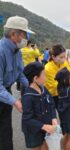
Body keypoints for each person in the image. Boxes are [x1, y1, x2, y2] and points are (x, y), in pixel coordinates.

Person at [0, 16, 34, 150]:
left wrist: (30, 86)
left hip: (6, 90)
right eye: (24, 35)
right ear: (14, 34)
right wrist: (15, 101)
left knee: (6, 130)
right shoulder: (1, 52)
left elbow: (20, 73)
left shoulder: (17, 51)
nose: (26, 39)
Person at [22, 62, 58, 150]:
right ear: (35, 78)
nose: (46, 77)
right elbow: (27, 119)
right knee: (37, 147)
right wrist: (45, 126)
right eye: (44, 75)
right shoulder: (28, 96)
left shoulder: (43, 88)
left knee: (46, 146)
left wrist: (53, 117)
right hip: (33, 131)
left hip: (45, 127)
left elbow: (51, 103)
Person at [45, 44, 70, 109]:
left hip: (65, 91)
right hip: (54, 95)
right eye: (61, 57)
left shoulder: (64, 63)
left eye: (64, 56)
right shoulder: (48, 68)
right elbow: (55, 85)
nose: (64, 59)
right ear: (53, 57)